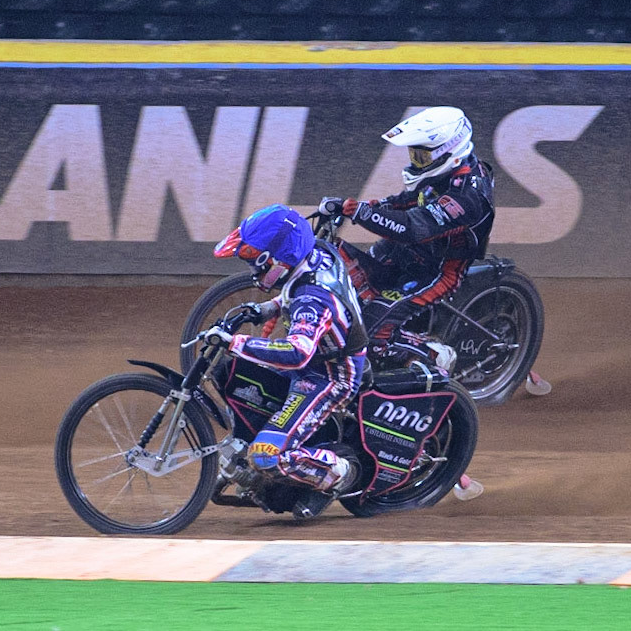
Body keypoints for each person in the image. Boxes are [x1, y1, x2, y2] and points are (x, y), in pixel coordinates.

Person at [208, 203, 368, 519]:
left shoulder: (312, 301)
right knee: (232, 374)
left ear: (278, 258)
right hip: (324, 357)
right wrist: (266, 309)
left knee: (265, 457)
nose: (252, 270)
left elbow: (297, 353)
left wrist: (237, 343)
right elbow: (293, 291)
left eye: (255, 262)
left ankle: (338, 473)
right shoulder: (315, 256)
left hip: (327, 377)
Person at [319, 106, 495, 371]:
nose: (415, 161)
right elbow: (408, 201)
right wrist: (360, 207)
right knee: (342, 280)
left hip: (436, 271)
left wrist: (362, 213)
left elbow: (415, 226)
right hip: (403, 251)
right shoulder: (443, 174)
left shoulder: (468, 197)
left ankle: (435, 354)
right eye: (414, 154)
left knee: (369, 334)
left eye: (422, 156)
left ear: (449, 151)